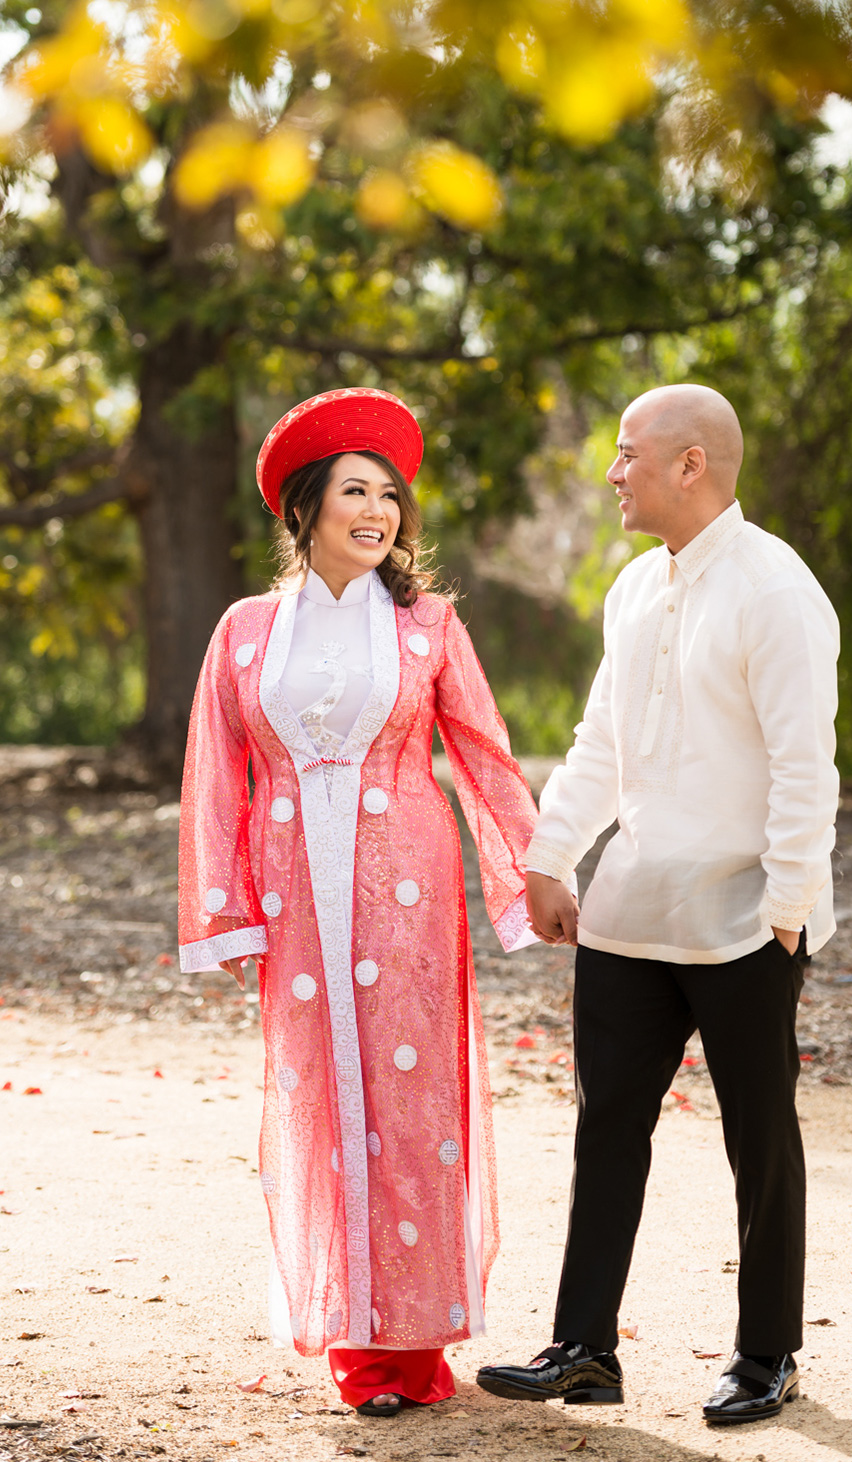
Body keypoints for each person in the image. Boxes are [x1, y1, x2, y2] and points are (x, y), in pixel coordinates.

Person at [475, 383, 839, 1425]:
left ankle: (767, 1353)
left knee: (759, 1139)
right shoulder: (633, 589)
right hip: (628, 915)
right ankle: (583, 1347)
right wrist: (550, 856)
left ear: (692, 464)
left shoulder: (776, 590)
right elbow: (600, 742)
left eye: (629, 453)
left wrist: (784, 913)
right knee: (606, 1129)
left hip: (743, 923)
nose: (612, 471)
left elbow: (804, 770)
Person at [177, 387, 541, 1417]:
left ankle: (414, 1338)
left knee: (414, 1102)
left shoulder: (428, 625)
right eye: (354, 490)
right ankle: (353, 1328)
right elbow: (218, 774)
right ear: (303, 510)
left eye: (389, 493)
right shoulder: (247, 632)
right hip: (298, 896)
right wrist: (228, 907)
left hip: (409, 892)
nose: (377, 509)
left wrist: (531, 871)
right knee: (323, 1099)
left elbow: (482, 755)